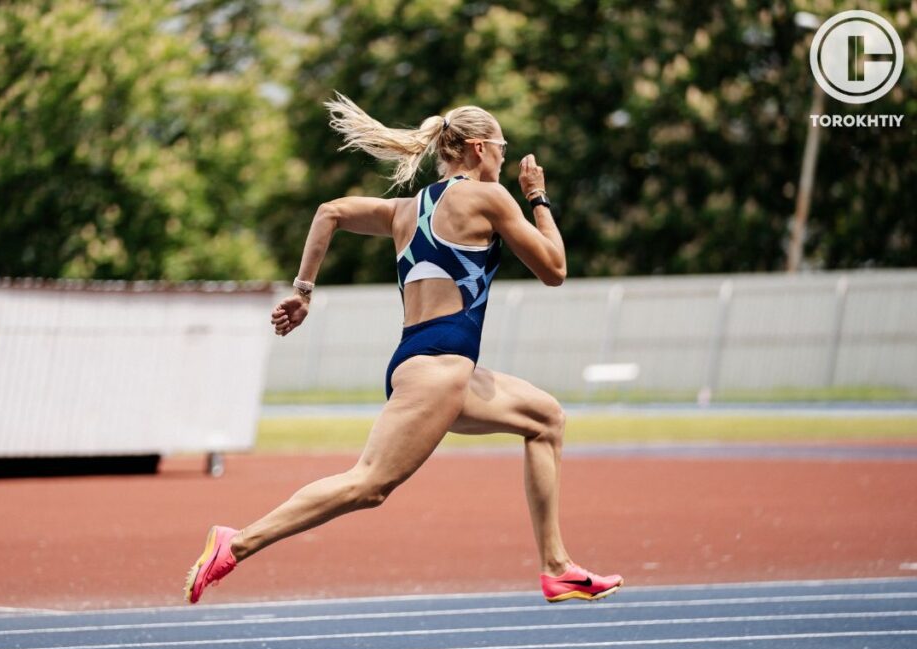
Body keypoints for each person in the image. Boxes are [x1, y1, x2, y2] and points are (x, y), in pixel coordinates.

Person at [184, 93, 623, 605]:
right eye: (502, 149)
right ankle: (236, 542)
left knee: (546, 419)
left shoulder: (406, 209)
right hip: (439, 370)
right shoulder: (490, 198)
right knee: (368, 484)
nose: (505, 160)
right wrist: (538, 197)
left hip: (434, 366)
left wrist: (304, 292)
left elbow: (330, 212)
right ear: (479, 148)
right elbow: (555, 269)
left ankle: (557, 567)